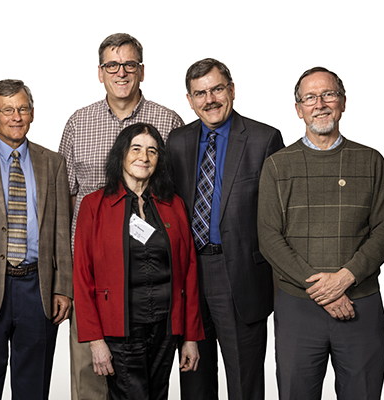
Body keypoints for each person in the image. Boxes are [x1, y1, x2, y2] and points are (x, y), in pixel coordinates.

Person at [258, 66, 384, 400]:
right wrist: (324, 290)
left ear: (343, 102)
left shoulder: (371, 161)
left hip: (359, 302)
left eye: (328, 94)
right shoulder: (278, 165)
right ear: (299, 109)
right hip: (298, 308)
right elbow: (269, 237)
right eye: (310, 98)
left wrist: (346, 278)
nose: (319, 104)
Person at [58, 32, 184, 400]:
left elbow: (174, 199)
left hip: (151, 278)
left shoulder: (168, 121)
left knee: (147, 384)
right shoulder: (78, 122)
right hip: (94, 275)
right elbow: (66, 198)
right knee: (90, 377)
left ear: (142, 71)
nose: (121, 72)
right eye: (112, 65)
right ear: (100, 72)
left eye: (129, 64)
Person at [166, 58, 284, 400]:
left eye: (217, 89)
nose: (210, 100)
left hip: (241, 277)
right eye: (200, 93)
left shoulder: (264, 139)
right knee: (195, 382)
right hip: (190, 275)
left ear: (231, 90)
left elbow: (280, 215)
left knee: (244, 384)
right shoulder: (177, 141)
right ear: (189, 100)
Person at [0, 79, 72, 400]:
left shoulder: (53, 163)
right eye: (7, 110)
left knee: (33, 387)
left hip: (38, 288)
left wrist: (63, 287)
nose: (16, 117)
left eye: (22, 109)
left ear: (32, 113)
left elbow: (62, 230)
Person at [73, 123, 203, 400]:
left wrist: (190, 337)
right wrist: (95, 340)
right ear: (121, 153)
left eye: (152, 151)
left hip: (166, 328)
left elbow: (189, 272)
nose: (144, 157)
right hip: (119, 328)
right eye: (136, 149)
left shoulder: (174, 205)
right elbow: (82, 276)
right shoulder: (93, 205)